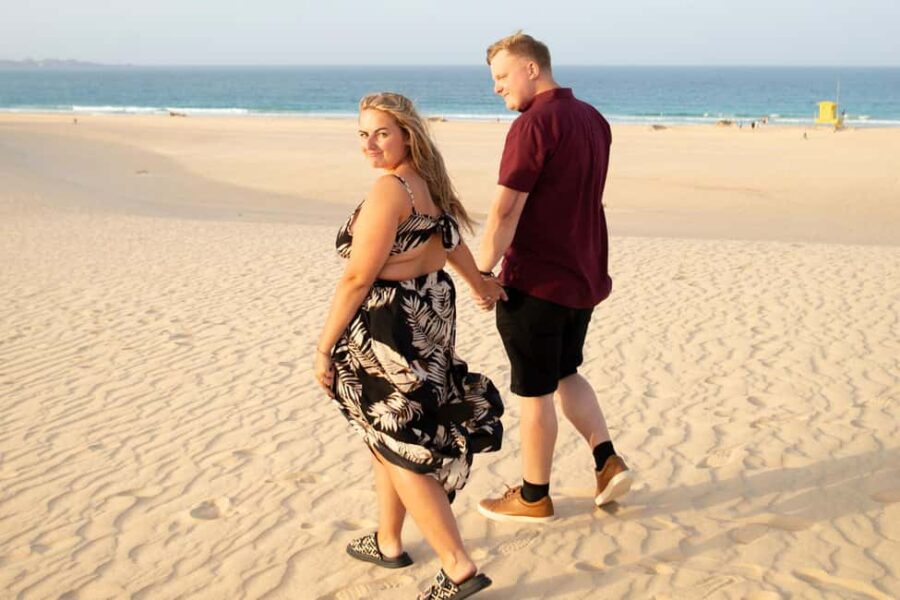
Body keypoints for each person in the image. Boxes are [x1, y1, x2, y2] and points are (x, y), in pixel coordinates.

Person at [314, 92, 504, 599]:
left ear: (407, 136)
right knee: (388, 435)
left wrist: (322, 346)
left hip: (390, 329)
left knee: (400, 444)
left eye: (380, 133)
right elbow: (450, 242)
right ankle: (389, 540)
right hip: (430, 317)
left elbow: (358, 276)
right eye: (362, 134)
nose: (369, 145)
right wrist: (479, 283)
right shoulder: (428, 184)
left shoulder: (390, 191)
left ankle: (459, 566)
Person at [474, 32, 634, 523]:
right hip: (582, 274)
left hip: (537, 280)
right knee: (566, 372)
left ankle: (533, 496)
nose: (497, 88)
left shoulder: (533, 125)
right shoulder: (593, 119)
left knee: (534, 389)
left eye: (502, 77)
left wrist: (481, 272)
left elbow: (505, 213)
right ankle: (607, 461)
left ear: (531, 69)